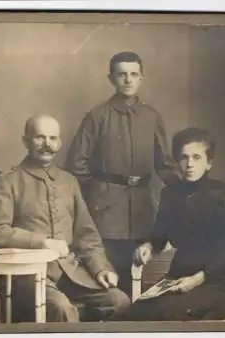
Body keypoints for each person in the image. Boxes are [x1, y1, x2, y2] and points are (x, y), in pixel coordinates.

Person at [0, 115, 130, 322]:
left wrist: (101, 268)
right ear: (26, 141)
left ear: (59, 143)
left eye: (52, 139)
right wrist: (42, 242)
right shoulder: (9, 181)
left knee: (120, 301)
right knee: (61, 309)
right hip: (29, 276)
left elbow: (86, 234)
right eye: (40, 138)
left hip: (73, 273)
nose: (47, 144)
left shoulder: (68, 181)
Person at [65, 51, 178, 295]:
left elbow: (164, 165)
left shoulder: (152, 117)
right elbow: (77, 164)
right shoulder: (97, 116)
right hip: (106, 209)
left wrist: (186, 192)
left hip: (141, 208)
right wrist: (96, 195)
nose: (128, 80)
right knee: (106, 276)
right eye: (122, 74)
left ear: (142, 78)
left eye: (134, 74)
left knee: (134, 276)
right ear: (111, 78)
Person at [114, 127, 225, 321]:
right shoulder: (171, 194)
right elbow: (160, 235)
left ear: (209, 163)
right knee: (134, 313)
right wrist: (149, 246)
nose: (189, 164)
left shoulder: (224, 196)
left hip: (213, 282)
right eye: (184, 157)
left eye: (196, 157)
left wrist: (197, 279)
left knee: (169, 315)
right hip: (177, 276)